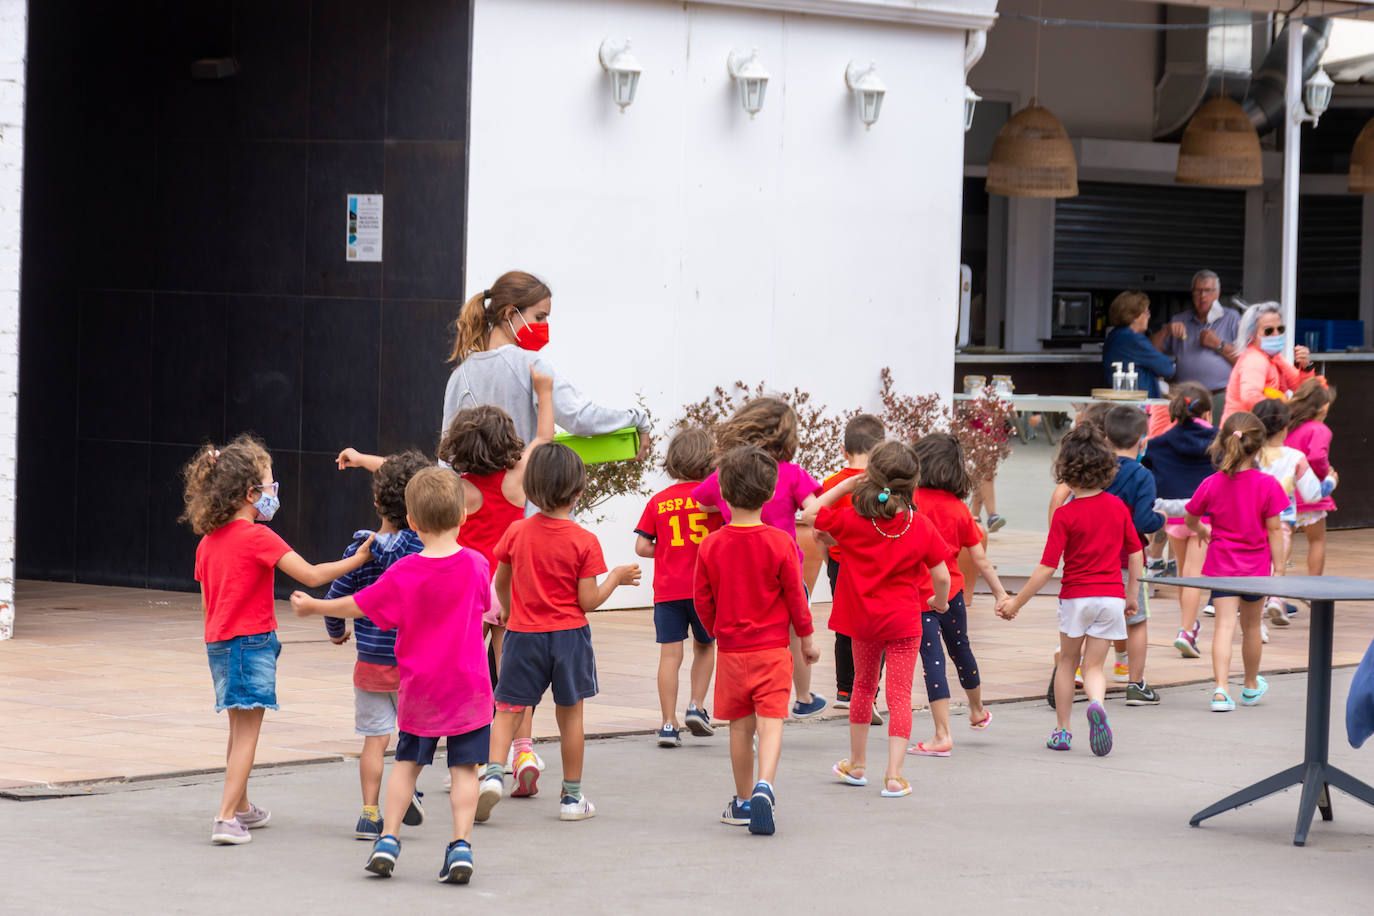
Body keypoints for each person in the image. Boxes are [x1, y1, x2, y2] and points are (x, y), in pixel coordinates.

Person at [291, 468, 494, 884]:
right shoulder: (477, 565)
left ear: (413, 522)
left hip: (420, 688)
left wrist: (315, 607)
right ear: (463, 516)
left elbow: (359, 605)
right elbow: (489, 607)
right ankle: (460, 846)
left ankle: (388, 838)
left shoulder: (404, 573)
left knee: (405, 764)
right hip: (469, 689)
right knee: (465, 770)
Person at [180, 434, 376, 845]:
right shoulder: (259, 538)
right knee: (249, 733)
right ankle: (224, 818)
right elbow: (312, 575)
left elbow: (205, 606)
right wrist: (359, 559)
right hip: (251, 644)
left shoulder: (206, 544)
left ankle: (241, 808)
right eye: (271, 486)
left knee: (237, 730)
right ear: (251, 493)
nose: (274, 493)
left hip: (219, 645)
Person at [479, 443, 641, 823]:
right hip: (569, 638)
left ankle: (492, 776)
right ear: (579, 492)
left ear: (531, 490)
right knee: (571, 718)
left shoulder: (517, 532)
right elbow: (588, 601)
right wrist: (615, 578)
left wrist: (511, 610)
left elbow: (500, 581)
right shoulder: (584, 541)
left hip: (521, 634)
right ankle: (571, 799)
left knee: (506, 711)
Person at [810, 442, 951, 797]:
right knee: (900, 695)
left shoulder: (853, 521)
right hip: (904, 621)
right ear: (912, 483)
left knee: (862, 686)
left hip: (863, 622)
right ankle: (894, 774)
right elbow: (943, 576)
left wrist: (843, 487)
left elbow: (811, 513)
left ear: (870, 479)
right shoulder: (919, 526)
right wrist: (940, 602)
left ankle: (857, 764)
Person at [693, 445, 819, 835]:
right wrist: (807, 640)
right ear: (769, 493)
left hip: (732, 652)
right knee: (772, 723)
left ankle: (744, 800)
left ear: (724, 495)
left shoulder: (711, 545)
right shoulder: (781, 543)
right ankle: (766, 784)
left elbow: (702, 598)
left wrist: (716, 628)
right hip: (773, 652)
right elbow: (796, 598)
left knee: (738, 729)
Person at [999, 426, 1142, 757]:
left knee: (1067, 662)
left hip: (1077, 596)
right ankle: (1096, 704)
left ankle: (1063, 730)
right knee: (1094, 667)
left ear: (1065, 472)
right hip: (1111, 597)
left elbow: (1047, 568)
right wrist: (1131, 595)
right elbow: (1135, 553)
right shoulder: (1118, 508)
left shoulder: (1065, 515)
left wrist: (1015, 603)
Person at [692, 397, 827, 718]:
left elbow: (702, 503)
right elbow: (812, 511)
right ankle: (803, 696)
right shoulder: (792, 474)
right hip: (784, 567)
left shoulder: (728, 472)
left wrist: (727, 505)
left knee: (742, 637)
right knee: (796, 629)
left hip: (737, 570)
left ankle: (743, 706)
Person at [321, 449, 431, 840]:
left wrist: (336, 631)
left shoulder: (358, 551)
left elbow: (335, 597)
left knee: (374, 740)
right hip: (411, 664)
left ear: (375, 501)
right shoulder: (421, 554)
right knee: (415, 734)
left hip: (369, 663)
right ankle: (408, 790)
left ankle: (369, 813)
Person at [443, 270, 650, 448]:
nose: (544, 326)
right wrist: (637, 419)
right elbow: (580, 417)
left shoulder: (460, 376)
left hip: (473, 494)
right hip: (523, 491)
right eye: (539, 317)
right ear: (510, 313)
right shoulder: (530, 365)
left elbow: (448, 452)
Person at [910, 432, 1009, 751]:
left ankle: (942, 734)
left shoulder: (908, 499)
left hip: (921, 596)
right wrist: (1000, 595)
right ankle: (977, 711)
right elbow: (980, 558)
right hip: (951, 593)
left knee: (932, 659)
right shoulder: (958, 509)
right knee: (961, 649)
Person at [1185, 412, 1288, 712]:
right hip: (1255, 570)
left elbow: (1191, 518)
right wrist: (1279, 568)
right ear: (1259, 446)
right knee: (1252, 627)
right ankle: (1251, 685)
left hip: (1221, 567)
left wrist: (1203, 529)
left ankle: (1220, 689)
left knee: (1224, 627)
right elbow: (1275, 531)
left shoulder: (1211, 483)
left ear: (1223, 442)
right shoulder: (1267, 485)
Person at [633, 428, 723, 747]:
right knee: (705, 646)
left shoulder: (659, 501)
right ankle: (696, 706)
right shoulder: (713, 500)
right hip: (706, 590)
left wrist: (669, 548)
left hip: (668, 591)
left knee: (670, 655)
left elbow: (642, 547)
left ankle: (667, 724)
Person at [815, 413, 885, 715]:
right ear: (881, 449)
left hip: (840, 564)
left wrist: (829, 554)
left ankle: (845, 688)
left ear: (845, 451)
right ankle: (868, 691)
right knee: (875, 627)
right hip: (876, 567)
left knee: (844, 623)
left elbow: (818, 528)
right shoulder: (884, 486)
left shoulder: (831, 484)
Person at [1141, 383, 1217, 659]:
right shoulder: (1219, 440)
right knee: (1193, 578)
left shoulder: (1159, 443)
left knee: (1185, 574)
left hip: (1172, 515)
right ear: (1207, 413)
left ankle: (1189, 626)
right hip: (1204, 516)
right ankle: (1186, 630)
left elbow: (1147, 471)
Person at [1101, 406, 1163, 705]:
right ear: (1142, 441)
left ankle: (1080, 673)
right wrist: (1160, 519)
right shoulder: (1142, 475)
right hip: (1129, 561)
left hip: (1094, 560)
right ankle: (1136, 684)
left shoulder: (1094, 470)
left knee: (1092, 622)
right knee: (1136, 621)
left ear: (1105, 437)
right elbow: (1142, 521)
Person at [1252, 398, 1323, 626]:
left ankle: (1259, 617)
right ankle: (1275, 598)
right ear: (1284, 428)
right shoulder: (1295, 457)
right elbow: (1313, 494)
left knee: (1256, 569)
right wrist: (1330, 480)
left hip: (1250, 522)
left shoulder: (1247, 454)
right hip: (1282, 521)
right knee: (1278, 563)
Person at [1150, 270, 1242, 397]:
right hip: (1184, 395)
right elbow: (1151, 349)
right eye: (1198, 291)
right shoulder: (1180, 320)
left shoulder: (1232, 318)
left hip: (1220, 394)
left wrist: (1218, 345)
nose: (1203, 296)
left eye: (1208, 290)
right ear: (1192, 293)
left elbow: (1243, 361)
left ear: (1217, 293)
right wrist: (1167, 330)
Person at [1221, 301, 1315, 421]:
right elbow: (1250, 397)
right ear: (1252, 336)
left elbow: (1300, 388)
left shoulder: (1274, 357)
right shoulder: (1254, 360)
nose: (1276, 334)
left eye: (1280, 329)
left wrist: (1306, 366)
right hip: (1243, 432)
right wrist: (1283, 411)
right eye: (1268, 331)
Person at [1285, 379, 1339, 577]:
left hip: (1285, 494)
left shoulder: (1287, 427)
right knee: (1316, 541)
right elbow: (1317, 456)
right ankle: (1314, 589)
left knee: (1283, 541)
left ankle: (1273, 589)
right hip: (1311, 494)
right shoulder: (1319, 429)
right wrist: (1324, 475)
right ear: (1323, 407)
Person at [1102, 291, 1175, 398]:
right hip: (1139, 404)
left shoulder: (1113, 336)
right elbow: (1167, 368)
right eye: (1146, 312)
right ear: (1134, 316)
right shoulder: (1133, 339)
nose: (1148, 316)